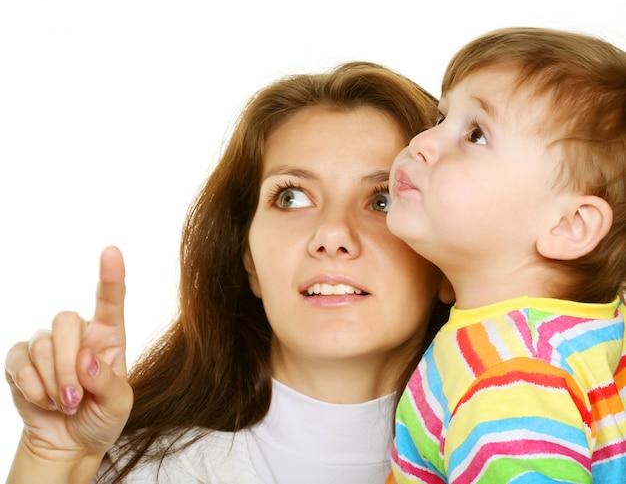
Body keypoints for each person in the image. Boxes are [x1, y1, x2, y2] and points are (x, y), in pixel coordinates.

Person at [5, 61, 454, 483]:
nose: (332, 234)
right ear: (248, 257)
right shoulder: (134, 469)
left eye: (383, 201)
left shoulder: (517, 459)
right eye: (292, 197)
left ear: (448, 261)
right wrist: (52, 459)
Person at [386, 27, 626, 483]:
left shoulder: (509, 376)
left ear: (568, 226)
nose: (422, 141)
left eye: (475, 134)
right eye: (441, 119)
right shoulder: (596, 331)